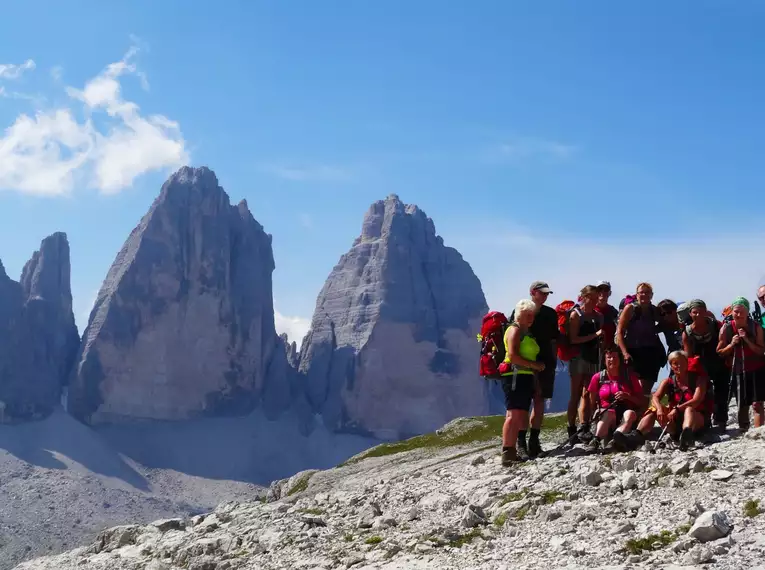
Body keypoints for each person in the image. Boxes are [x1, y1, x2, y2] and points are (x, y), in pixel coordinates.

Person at [509, 281, 558, 459]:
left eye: (546, 294)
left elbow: (554, 339)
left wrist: (553, 361)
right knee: (524, 404)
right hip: (525, 363)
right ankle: (520, 443)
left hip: (545, 363)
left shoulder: (550, 314)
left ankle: (534, 442)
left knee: (539, 401)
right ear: (532, 292)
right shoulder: (519, 311)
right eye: (541, 293)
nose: (544, 296)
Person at [500, 299, 545, 465]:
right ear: (518, 315)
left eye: (532, 315)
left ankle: (512, 451)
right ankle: (508, 451)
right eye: (527, 315)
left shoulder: (526, 332)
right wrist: (534, 365)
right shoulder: (514, 330)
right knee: (513, 414)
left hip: (525, 376)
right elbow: (512, 356)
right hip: (514, 375)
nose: (530, 318)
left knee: (520, 413)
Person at [641, 351, 714, 451]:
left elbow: (697, 400)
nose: (678, 366)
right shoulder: (668, 382)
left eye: (681, 362)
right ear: (671, 366)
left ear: (687, 363)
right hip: (675, 422)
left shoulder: (699, 380)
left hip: (697, 421)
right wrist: (659, 409)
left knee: (689, 410)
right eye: (675, 363)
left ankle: (686, 436)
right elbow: (655, 397)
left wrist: (677, 409)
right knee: (653, 408)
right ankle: (637, 434)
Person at [716, 297, 765, 432]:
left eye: (741, 312)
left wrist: (747, 340)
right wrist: (732, 344)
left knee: (757, 403)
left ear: (747, 312)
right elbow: (719, 352)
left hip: (756, 368)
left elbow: (761, 351)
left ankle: (758, 432)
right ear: (731, 312)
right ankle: (744, 429)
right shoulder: (726, 328)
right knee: (742, 404)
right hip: (738, 369)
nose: (738, 314)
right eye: (736, 311)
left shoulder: (756, 327)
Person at [585, 347, 645, 452]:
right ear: (604, 361)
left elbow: (641, 401)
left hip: (626, 412)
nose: (612, 360)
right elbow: (592, 401)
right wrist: (594, 414)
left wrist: (627, 396)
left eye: (614, 357)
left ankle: (616, 439)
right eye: (609, 358)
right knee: (608, 413)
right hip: (605, 415)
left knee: (629, 413)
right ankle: (596, 440)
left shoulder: (630, 377)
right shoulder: (597, 378)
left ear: (620, 360)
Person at [682, 299, 727, 432]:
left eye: (700, 312)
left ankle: (720, 420)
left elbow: (723, 342)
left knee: (721, 391)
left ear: (706, 312)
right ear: (690, 313)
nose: (697, 315)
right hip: (700, 366)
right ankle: (704, 420)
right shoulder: (687, 332)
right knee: (702, 393)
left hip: (718, 362)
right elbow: (687, 355)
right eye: (694, 312)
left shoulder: (716, 326)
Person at [566, 285, 603, 442]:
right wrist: (594, 335)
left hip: (593, 357)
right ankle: (571, 428)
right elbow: (573, 339)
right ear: (584, 297)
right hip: (578, 358)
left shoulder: (597, 315)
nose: (595, 301)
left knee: (588, 393)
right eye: (593, 298)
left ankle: (584, 427)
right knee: (575, 394)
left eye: (596, 298)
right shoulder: (576, 315)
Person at [616, 283, 666, 394]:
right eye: (641, 292)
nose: (644, 295)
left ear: (652, 295)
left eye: (647, 292)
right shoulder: (630, 309)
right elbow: (620, 331)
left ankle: (642, 410)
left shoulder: (654, 310)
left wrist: (653, 330)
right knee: (635, 388)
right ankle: (633, 410)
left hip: (651, 352)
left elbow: (664, 323)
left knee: (646, 390)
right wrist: (625, 353)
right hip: (633, 352)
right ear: (637, 295)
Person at [594, 280, 619, 355]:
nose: (603, 292)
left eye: (606, 290)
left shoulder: (613, 311)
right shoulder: (590, 310)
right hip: (593, 352)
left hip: (609, 352)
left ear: (610, 293)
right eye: (600, 289)